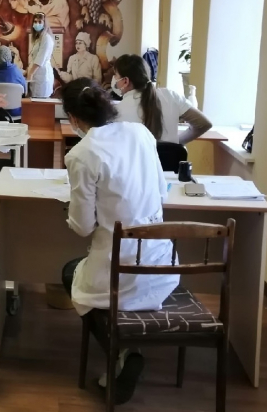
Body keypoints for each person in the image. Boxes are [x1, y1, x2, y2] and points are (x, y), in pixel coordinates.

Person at [60, 78, 179, 405]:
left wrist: (74, 210)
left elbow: (83, 227)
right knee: (101, 276)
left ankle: (123, 349)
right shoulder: (141, 133)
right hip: (160, 263)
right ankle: (127, 350)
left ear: (73, 118)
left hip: (118, 267)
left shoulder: (82, 153)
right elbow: (161, 192)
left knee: (70, 273)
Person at [111, 54, 212, 145]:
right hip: (171, 160)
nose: (114, 78)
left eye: (116, 75)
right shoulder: (170, 96)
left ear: (125, 81)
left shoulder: (117, 112)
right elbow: (203, 124)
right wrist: (177, 145)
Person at [27, 12, 54, 98]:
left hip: (42, 75)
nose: (37, 24)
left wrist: (30, 74)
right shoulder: (38, 38)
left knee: (40, 102)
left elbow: (40, 59)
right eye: (35, 22)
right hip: (37, 74)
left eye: (40, 22)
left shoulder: (46, 38)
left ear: (44, 23)